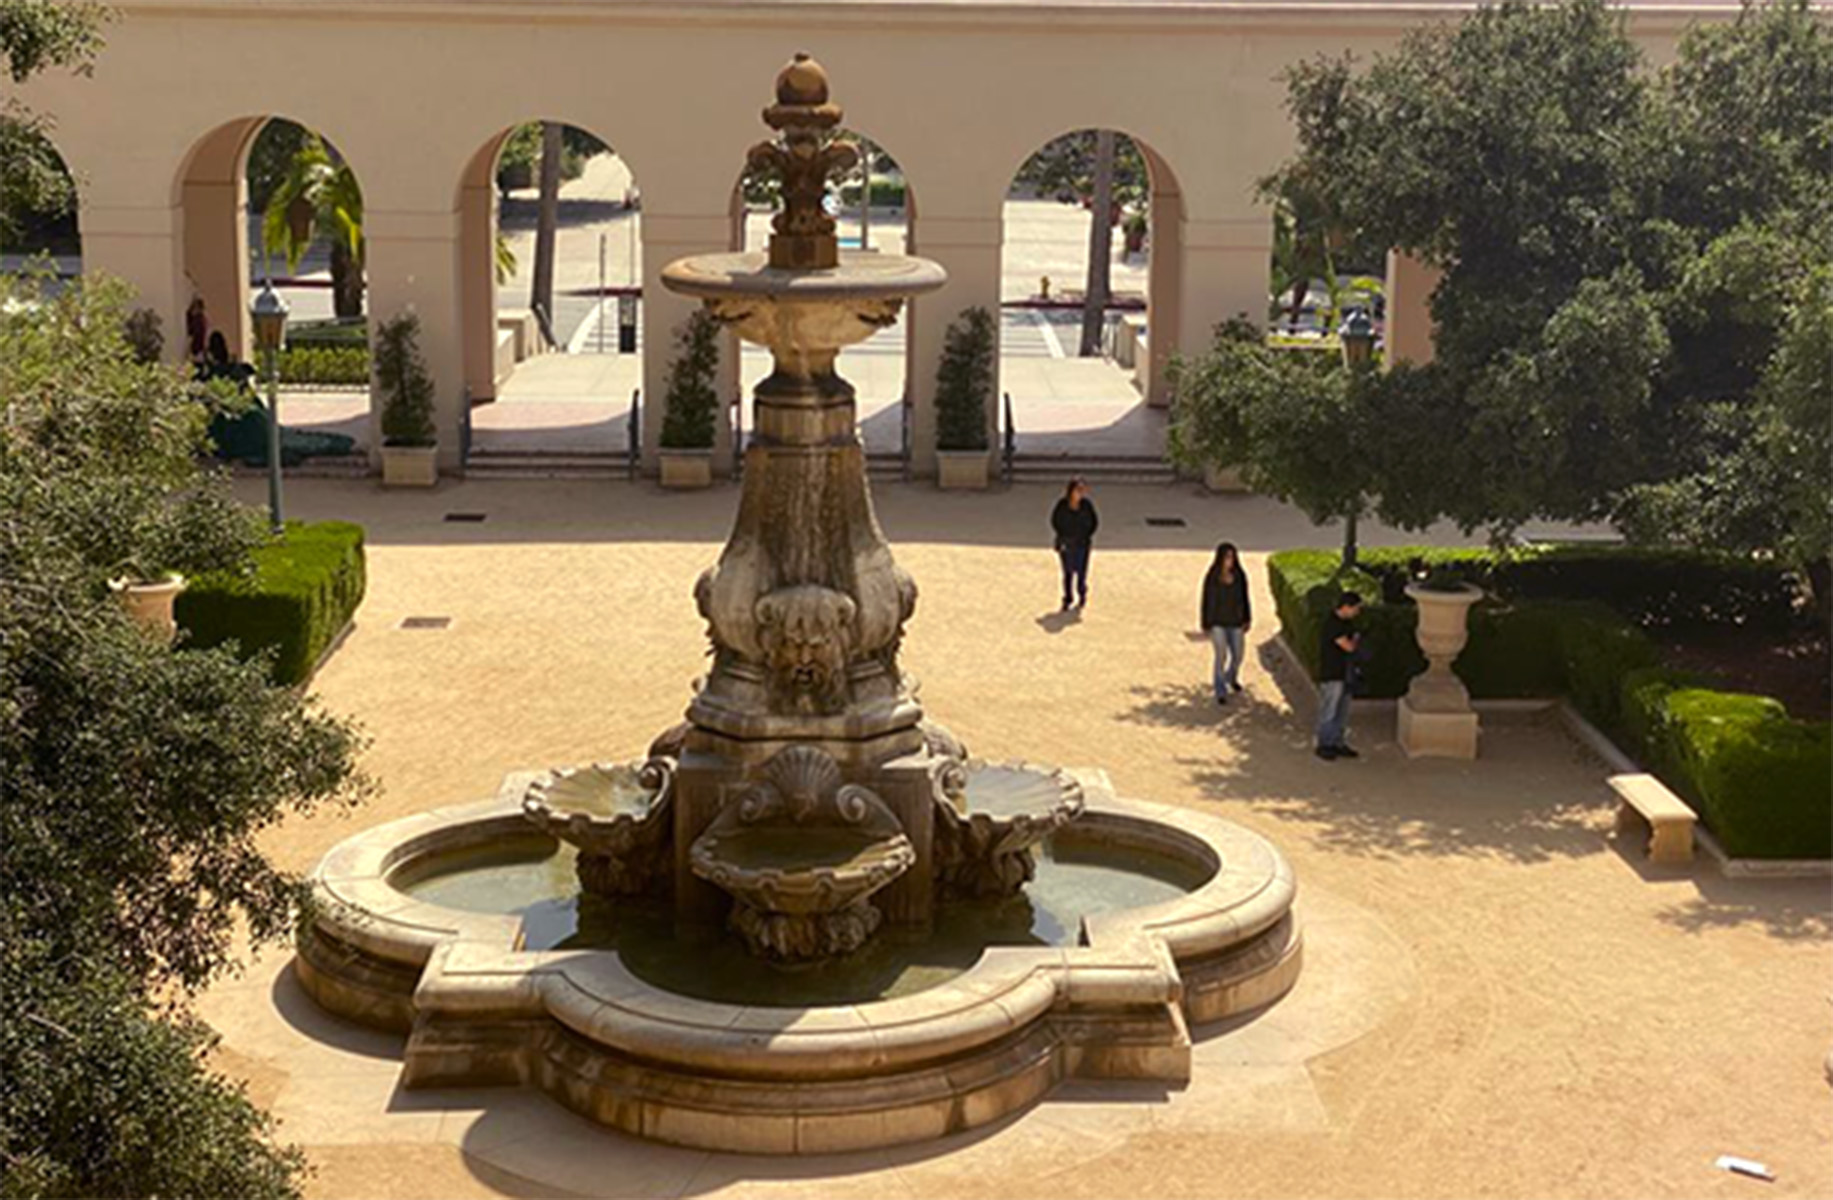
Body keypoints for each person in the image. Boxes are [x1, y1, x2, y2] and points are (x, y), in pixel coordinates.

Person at [1200, 542, 1251, 703]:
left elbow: (1245, 598)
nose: (1230, 560)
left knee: (1238, 654)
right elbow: (1206, 600)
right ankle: (1220, 689)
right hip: (1218, 623)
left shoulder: (1239, 576)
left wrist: (1247, 617)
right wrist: (1205, 622)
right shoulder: (1212, 576)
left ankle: (1231, 676)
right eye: (1227, 557)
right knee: (1220, 655)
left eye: (1232, 557)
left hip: (1235, 622)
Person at [1316, 590, 1363, 760]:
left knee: (1342, 711)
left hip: (1344, 673)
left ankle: (1337, 742)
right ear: (1346, 607)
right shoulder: (1332, 624)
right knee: (1329, 709)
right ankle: (1324, 744)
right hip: (1332, 673)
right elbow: (1349, 646)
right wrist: (1356, 641)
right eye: (1356, 608)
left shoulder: (1345, 623)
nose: (1357, 612)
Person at [1050, 478, 1099, 611]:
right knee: (1068, 572)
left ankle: (1082, 593)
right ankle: (1068, 598)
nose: (1081, 493)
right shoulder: (1062, 505)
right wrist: (1062, 536)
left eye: (1083, 490)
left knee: (1081, 572)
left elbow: (1094, 522)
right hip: (1066, 543)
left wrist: (1086, 535)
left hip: (1082, 543)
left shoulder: (1086, 505)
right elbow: (1055, 521)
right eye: (1078, 490)